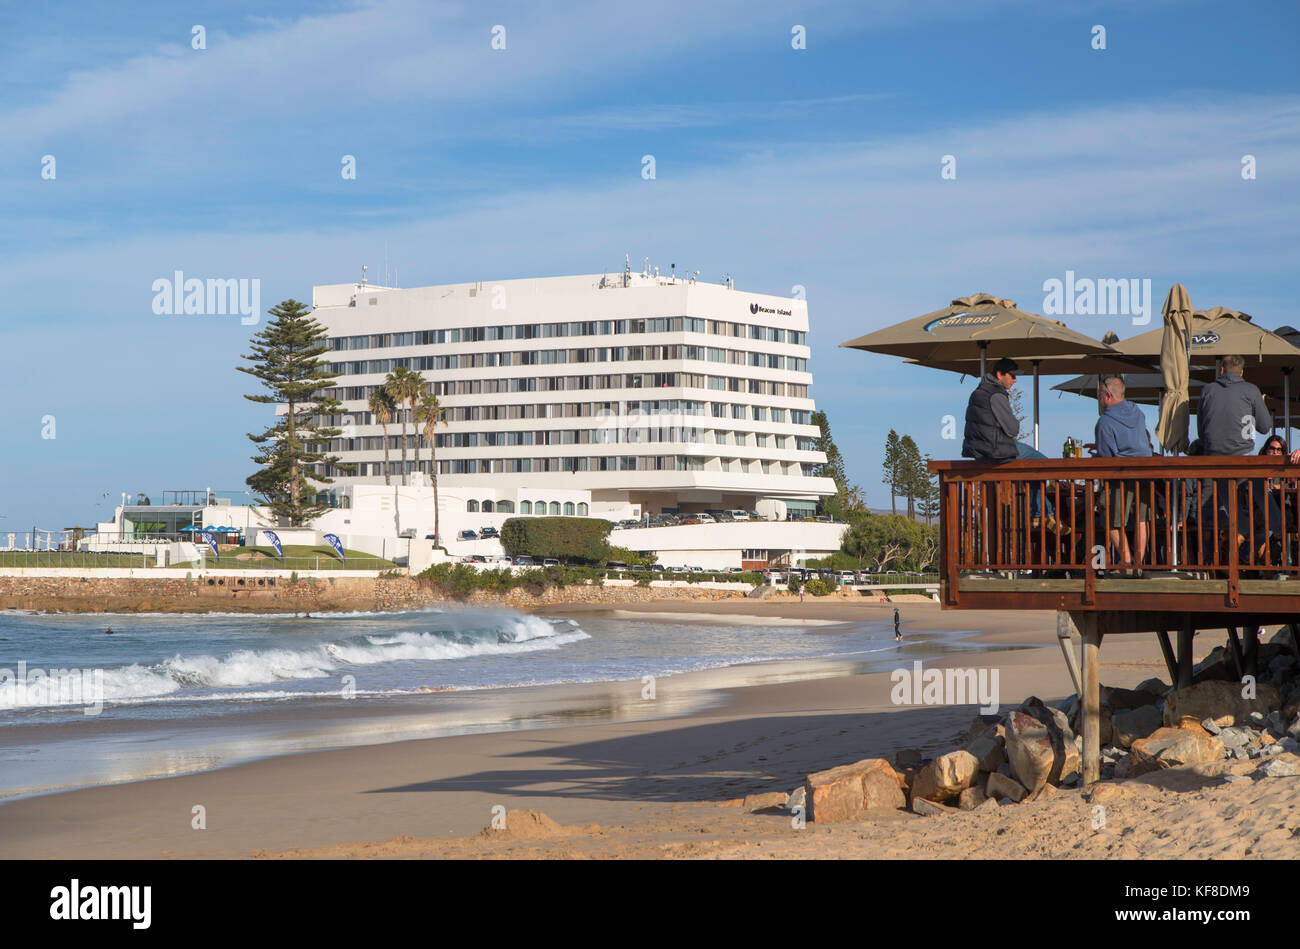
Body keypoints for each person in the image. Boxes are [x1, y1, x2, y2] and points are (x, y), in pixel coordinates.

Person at [961, 356, 1063, 535]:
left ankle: (1043, 514)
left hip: (978, 451)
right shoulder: (996, 394)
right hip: (995, 450)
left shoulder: (978, 392)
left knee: (1034, 466)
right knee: (1042, 462)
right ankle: (1040, 514)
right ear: (999, 374)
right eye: (1012, 376)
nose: (1015, 380)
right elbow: (1013, 429)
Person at [1197, 354, 1271, 560]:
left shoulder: (1207, 390)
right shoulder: (1250, 390)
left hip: (1213, 463)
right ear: (1242, 372)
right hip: (1244, 461)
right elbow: (1265, 427)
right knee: (1263, 501)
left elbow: (1202, 434)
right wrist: (1259, 406)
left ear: (1221, 370)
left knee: (1221, 509)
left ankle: (1220, 553)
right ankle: (1265, 531)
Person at [1093, 376, 1152, 571]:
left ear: (1108, 395)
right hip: (1145, 472)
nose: (1099, 399)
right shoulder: (1138, 412)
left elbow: (1105, 457)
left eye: (1099, 395)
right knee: (1141, 519)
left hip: (1120, 476)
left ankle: (1127, 563)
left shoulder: (1105, 422)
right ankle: (1139, 563)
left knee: (1111, 520)